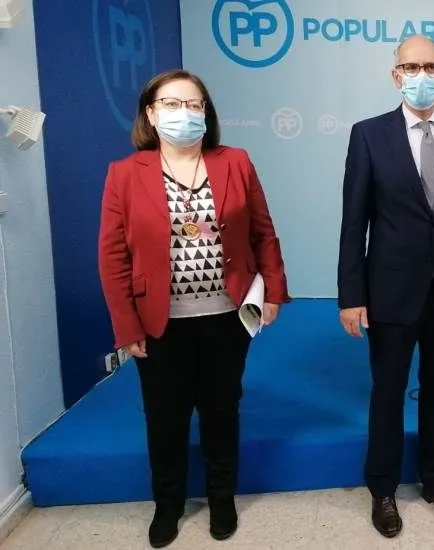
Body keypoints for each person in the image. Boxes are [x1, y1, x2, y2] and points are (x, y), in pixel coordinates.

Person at [98, 70, 290, 548]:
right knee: (165, 416)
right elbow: (112, 256)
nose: (184, 112)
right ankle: (168, 504)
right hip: (159, 321)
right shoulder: (125, 174)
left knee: (222, 409)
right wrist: (126, 326)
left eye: (194, 103)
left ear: (207, 112)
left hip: (227, 315)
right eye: (172, 103)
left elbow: (263, 232)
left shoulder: (235, 162)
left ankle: (221, 497)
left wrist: (274, 292)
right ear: (150, 112)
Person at [336, 35, 434, 538]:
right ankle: (382, 489)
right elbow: (353, 222)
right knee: (387, 391)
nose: (421, 75)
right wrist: (351, 296)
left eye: (430, 66)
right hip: (389, 291)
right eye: (411, 67)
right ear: (395, 75)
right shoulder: (369, 135)